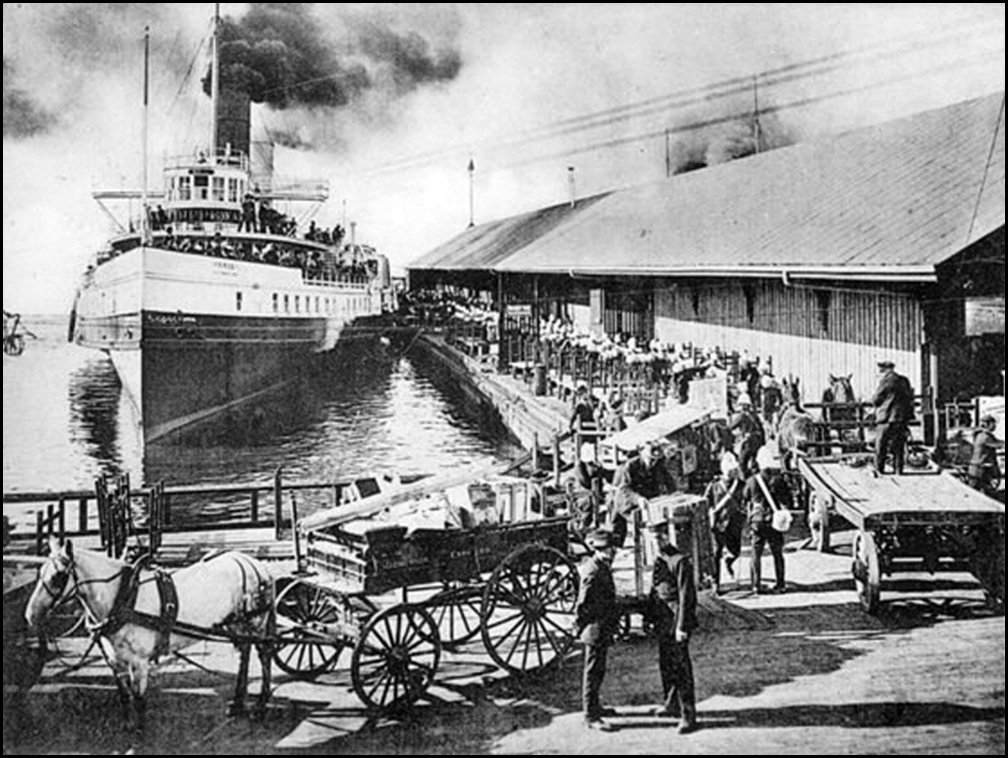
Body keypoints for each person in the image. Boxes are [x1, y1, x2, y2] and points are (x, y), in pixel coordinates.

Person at [648, 520, 699, 733]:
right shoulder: (659, 560)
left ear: (667, 537)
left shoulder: (680, 561)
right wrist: (649, 618)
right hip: (662, 620)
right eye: (653, 538)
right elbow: (655, 591)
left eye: (660, 537)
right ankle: (671, 703)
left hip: (677, 619)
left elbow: (687, 597)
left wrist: (682, 627)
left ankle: (689, 715)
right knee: (666, 664)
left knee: (681, 668)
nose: (657, 541)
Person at [575, 528, 621, 731]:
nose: (614, 553)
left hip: (602, 626)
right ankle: (590, 716)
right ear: (605, 550)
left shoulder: (600, 565)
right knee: (592, 672)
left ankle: (596, 707)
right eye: (612, 549)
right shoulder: (593, 570)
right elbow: (582, 603)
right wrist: (580, 625)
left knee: (599, 670)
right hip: (594, 628)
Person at [742, 446, 792, 594]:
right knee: (778, 553)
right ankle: (781, 584)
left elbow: (745, 498)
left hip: (758, 521)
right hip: (775, 521)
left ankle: (756, 585)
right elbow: (787, 499)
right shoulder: (778, 480)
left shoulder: (752, 481)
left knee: (756, 553)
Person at [612, 438, 677, 548]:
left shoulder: (658, 464)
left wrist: (675, 494)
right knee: (618, 534)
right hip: (627, 503)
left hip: (647, 502)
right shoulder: (631, 466)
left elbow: (669, 481)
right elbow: (624, 488)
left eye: (655, 459)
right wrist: (638, 499)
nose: (653, 462)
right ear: (642, 453)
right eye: (651, 459)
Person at [705, 451, 745, 594]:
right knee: (716, 553)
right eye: (729, 471)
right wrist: (710, 512)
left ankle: (729, 561)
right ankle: (716, 583)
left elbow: (746, 500)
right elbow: (706, 502)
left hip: (735, 522)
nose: (731, 473)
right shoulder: (714, 486)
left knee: (736, 551)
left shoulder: (740, 485)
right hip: (719, 523)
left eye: (734, 471)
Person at [871, 360, 916, 474]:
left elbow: (876, 399)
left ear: (884, 371)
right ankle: (898, 469)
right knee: (898, 445)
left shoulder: (886, 381)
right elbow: (909, 398)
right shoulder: (904, 381)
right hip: (900, 418)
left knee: (881, 445)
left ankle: (879, 469)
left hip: (886, 418)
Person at [730, 393, 765, 477]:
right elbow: (761, 428)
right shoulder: (755, 415)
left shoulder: (741, 416)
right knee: (753, 459)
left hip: (749, 440)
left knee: (742, 461)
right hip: (758, 440)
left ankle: (745, 479)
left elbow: (730, 426)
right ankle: (757, 477)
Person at [968, 415, 1002, 495]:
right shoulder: (985, 437)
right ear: (987, 424)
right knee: (978, 494)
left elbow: (998, 441)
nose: (995, 426)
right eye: (993, 424)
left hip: (978, 467)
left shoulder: (983, 435)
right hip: (980, 468)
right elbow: (996, 444)